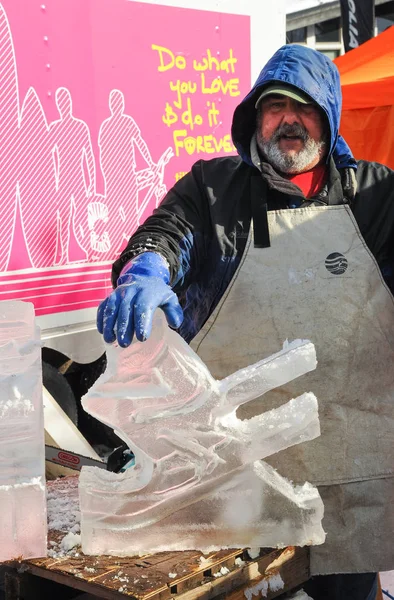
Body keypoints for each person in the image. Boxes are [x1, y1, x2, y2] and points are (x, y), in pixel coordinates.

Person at [97, 44, 394, 600]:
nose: (289, 120)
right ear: (255, 118)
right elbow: (167, 232)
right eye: (274, 106)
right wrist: (147, 270)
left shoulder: (376, 195)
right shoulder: (212, 189)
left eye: (304, 107)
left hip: (351, 462)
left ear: (327, 117)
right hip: (236, 468)